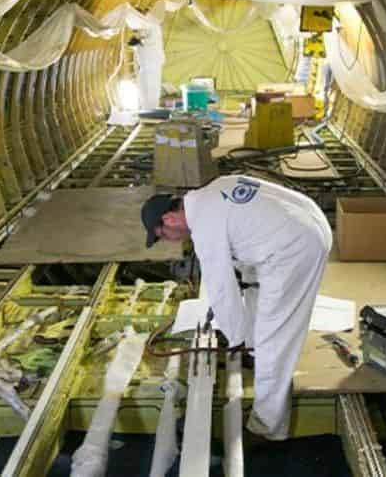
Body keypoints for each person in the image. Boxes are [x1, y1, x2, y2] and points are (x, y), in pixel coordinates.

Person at [140, 174, 332, 441]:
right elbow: (247, 231)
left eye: (163, 236)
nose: (171, 241)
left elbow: (222, 291)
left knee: (273, 340)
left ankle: (267, 427)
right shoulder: (214, 188)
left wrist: (235, 339)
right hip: (309, 222)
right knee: (254, 286)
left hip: (293, 248)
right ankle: (254, 350)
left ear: (169, 219)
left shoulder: (204, 227)